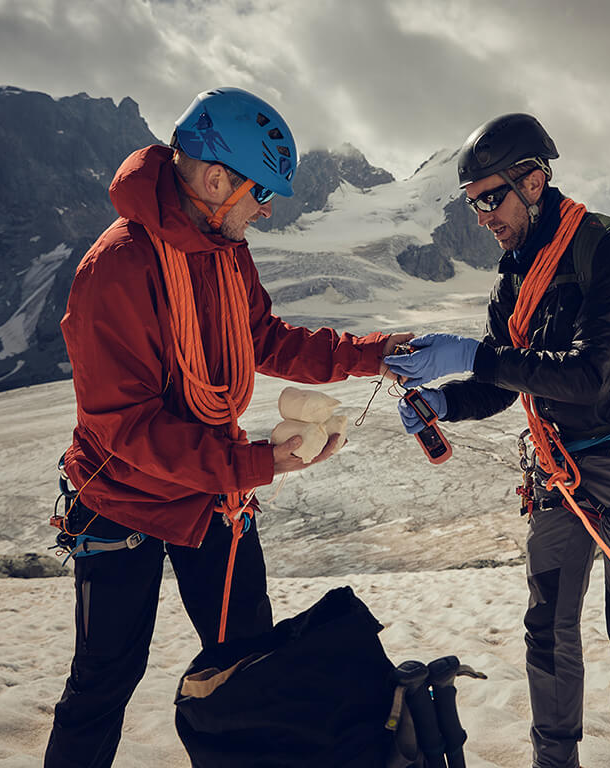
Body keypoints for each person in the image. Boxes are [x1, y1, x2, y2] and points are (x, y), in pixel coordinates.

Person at [44, 87, 410, 767]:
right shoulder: (114, 271)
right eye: (260, 192)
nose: (265, 209)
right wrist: (256, 466)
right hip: (121, 502)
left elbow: (261, 337)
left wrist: (372, 355)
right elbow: (128, 429)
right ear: (215, 180)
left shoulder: (223, 245)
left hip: (211, 495)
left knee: (248, 667)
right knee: (103, 683)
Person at [384, 113, 610, 768]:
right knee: (547, 630)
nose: (482, 215)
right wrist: (445, 401)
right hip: (558, 472)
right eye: (473, 203)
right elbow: (501, 382)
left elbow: (589, 377)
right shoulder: (514, 279)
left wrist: (471, 354)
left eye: (491, 197)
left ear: (535, 180)